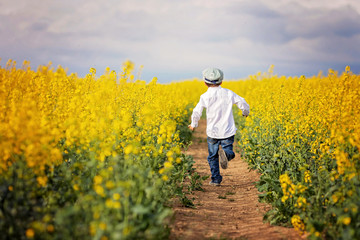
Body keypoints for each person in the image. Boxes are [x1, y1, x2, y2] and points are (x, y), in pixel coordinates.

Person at [188, 67, 250, 186]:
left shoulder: (205, 96)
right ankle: (226, 154)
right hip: (227, 130)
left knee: (212, 156)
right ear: (221, 81)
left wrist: (193, 124)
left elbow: (197, 111)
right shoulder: (228, 93)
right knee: (228, 149)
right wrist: (245, 112)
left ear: (205, 83)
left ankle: (216, 179)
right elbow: (242, 102)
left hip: (213, 132)